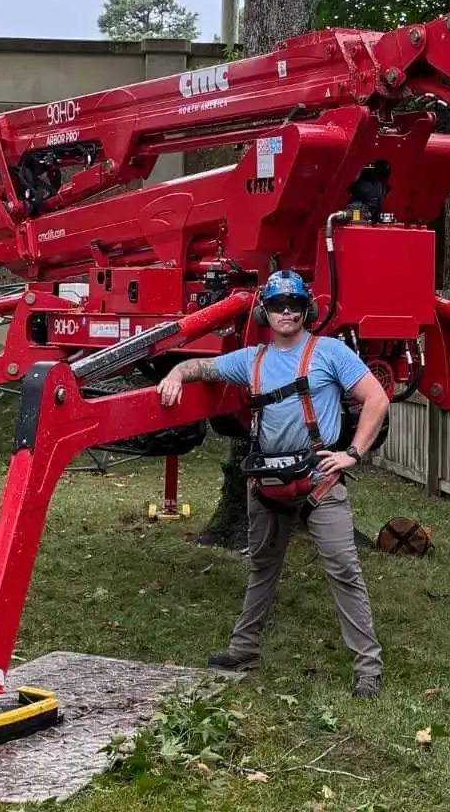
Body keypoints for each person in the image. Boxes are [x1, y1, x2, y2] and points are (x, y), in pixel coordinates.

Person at [157, 269, 391, 697]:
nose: (287, 312)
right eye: (279, 304)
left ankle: (368, 669)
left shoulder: (331, 353)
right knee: (262, 566)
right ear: (266, 311)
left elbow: (376, 398)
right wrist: (176, 375)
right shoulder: (251, 359)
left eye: (295, 304)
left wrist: (352, 454)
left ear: (307, 309)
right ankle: (244, 649)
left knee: (343, 568)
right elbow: (199, 366)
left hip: (320, 481)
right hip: (266, 482)